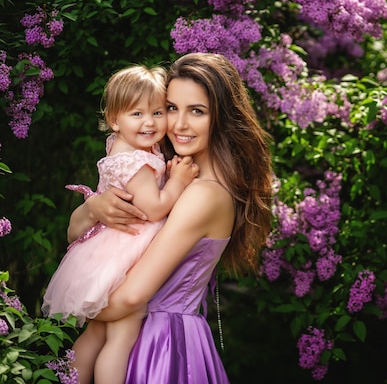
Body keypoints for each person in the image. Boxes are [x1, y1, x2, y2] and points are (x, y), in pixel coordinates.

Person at [66, 52, 274, 384]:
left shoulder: (204, 194)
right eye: (173, 108)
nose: (178, 125)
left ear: (222, 117)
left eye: (197, 111)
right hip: (143, 333)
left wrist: (75, 304)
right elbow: (75, 233)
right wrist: (92, 209)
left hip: (160, 343)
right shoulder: (168, 175)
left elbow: (132, 297)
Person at [42, 64, 200, 384]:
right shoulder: (137, 161)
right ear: (114, 119)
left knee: (95, 333)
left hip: (105, 251)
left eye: (158, 112)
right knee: (121, 337)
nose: (149, 122)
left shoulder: (121, 143)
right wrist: (178, 181)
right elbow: (154, 209)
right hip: (125, 253)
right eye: (137, 114)